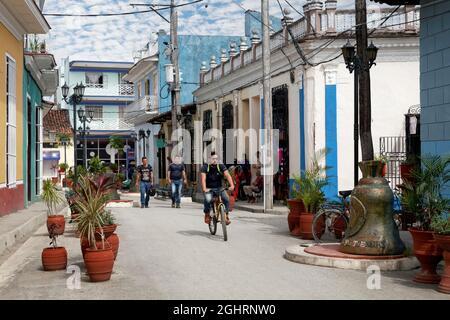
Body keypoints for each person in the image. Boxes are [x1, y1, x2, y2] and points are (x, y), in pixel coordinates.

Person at [200, 153, 235, 225]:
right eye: (213, 159)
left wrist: (232, 185)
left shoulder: (221, 166)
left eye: (216, 159)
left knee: (226, 199)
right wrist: (204, 189)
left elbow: (227, 175)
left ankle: (226, 216)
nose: (215, 160)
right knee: (207, 199)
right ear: (209, 159)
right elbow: (203, 179)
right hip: (209, 188)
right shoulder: (205, 167)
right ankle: (207, 214)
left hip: (219, 188)